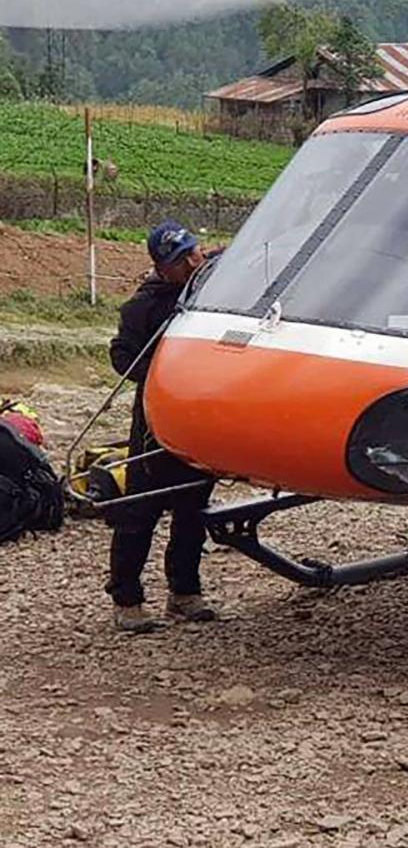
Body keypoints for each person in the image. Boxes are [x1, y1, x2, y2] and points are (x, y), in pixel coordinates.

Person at [105, 222, 218, 633]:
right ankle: (127, 599)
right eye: (182, 259)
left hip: (199, 416)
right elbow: (122, 359)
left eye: (194, 251)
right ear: (161, 268)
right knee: (140, 511)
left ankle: (184, 593)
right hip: (158, 418)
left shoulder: (210, 289)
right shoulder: (142, 309)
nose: (193, 261)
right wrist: (166, 372)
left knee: (193, 508)